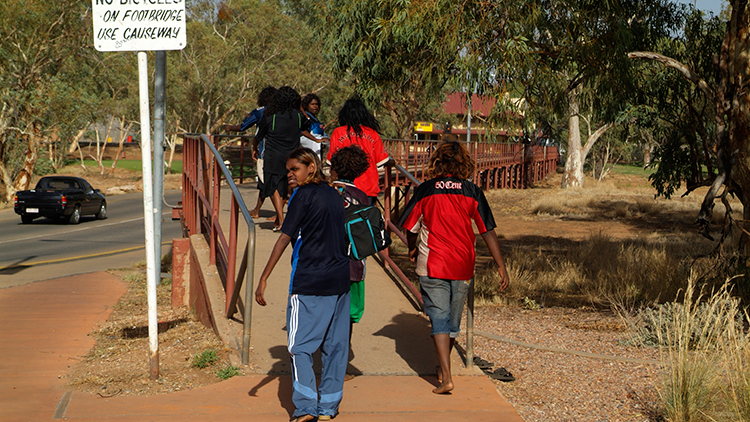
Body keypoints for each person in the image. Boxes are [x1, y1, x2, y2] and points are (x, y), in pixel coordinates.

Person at [397, 141, 510, 395]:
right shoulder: (472, 191)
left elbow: (411, 226)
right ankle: (443, 368)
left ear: (438, 162)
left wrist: (412, 249)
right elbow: (487, 231)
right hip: (462, 265)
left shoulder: (425, 190)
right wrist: (501, 265)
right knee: (451, 321)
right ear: (464, 164)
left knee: (438, 318)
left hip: (432, 262)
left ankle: (446, 376)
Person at [255, 148, 350, 422]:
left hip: (310, 281)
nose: (290, 175)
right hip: (340, 281)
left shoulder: (302, 196)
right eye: (288, 170)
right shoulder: (334, 195)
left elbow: (284, 237)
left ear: (311, 167)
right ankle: (329, 407)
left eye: (294, 169)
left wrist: (264, 277)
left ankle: (306, 405)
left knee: (299, 347)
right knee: (335, 346)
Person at [329, 145, 371, 381]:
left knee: (327, 313)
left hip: (325, 264)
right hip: (353, 266)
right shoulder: (362, 196)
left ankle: (326, 361)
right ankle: (341, 367)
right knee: (347, 317)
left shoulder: (323, 191)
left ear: (333, 168)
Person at [255, 86, 318, 230]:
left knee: (273, 186)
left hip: (273, 156)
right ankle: (281, 218)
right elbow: (306, 126)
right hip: (291, 157)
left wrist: (254, 148)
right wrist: (301, 110)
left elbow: (259, 135)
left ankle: (281, 218)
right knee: (288, 185)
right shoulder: (297, 116)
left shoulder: (270, 115)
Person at [224, 86, 277, 219]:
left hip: (266, 152)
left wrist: (230, 128)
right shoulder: (284, 112)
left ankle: (279, 215)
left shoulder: (260, 112)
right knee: (267, 182)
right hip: (284, 151)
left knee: (267, 181)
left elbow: (243, 126)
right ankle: (258, 210)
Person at [326, 97, 390, 203]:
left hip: (344, 187)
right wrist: (393, 162)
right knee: (366, 216)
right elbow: (382, 160)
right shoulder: (372, 133)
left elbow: (331, 161)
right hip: (368, 187)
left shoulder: (338, 132)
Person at [300, 93, 327, 158]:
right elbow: (302, 131)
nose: (315, 106)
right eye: (312, 104)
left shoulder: (315, 119)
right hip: (309, 152)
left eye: (316, 104)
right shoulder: (305, 118)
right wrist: (316, 139)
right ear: (307, 106)